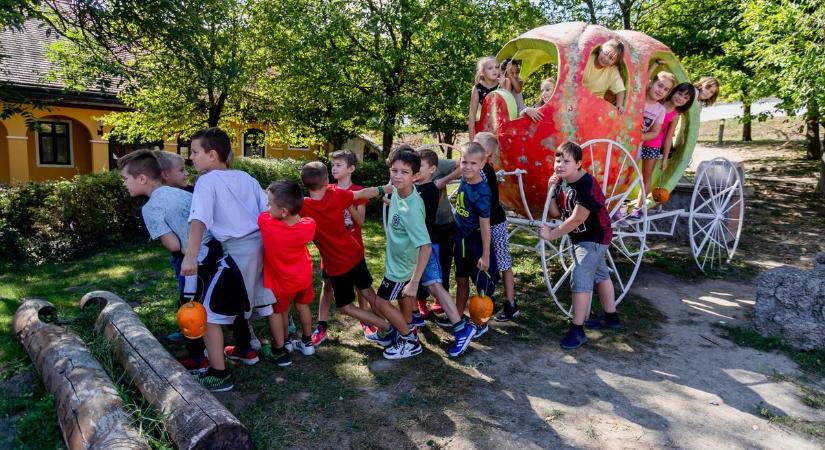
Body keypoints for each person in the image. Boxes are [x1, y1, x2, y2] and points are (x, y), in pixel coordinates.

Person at [181, 127, 274, 391]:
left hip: (235, 252)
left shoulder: (207, 181)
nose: (192, 158)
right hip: (258, 246)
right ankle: (247, 348)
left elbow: (199, 219)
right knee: (240, 303)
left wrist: (190, 257)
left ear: (212, 155)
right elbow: (265, 213)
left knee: (209, 315)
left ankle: (218, 373)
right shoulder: (246, 177)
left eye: (195, 152)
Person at [118, 149, 224, 374]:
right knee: (209, 303)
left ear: (142, 178)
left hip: (196, 261)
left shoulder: (150, 208)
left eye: (125, 179)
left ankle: (199, 358)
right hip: (217, 252)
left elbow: (174, 245)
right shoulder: (182, 193)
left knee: (190, 309)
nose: (124, 184)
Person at [299, 161, 404, 350]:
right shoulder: (336, 193)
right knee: (368, 293)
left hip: (338, 264)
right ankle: (398, 327)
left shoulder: (303, 206)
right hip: (355, 252)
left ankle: (387, 327)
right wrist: (389, 187)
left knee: (345, 307)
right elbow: (365, 193)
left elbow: (283, 206)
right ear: (326, 181)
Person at [539, 142, 619, 350]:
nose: (560, 165)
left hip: (594, 237)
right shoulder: (563, 182)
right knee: (600, 274)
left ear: (579, 164)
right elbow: (556, 213)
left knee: (581, 277)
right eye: (558, 160)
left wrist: (551, 235)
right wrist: (551, 189)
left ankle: (577, 329)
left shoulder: (586, 184)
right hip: (582, 238)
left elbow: (576, 219)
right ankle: (612, 317)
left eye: (566, 161)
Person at [413, 148, 477, 357]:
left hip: (428, 243)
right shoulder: (419, 187)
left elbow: (421, 218)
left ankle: (461, 327)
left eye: (417, 166)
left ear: (432, 169)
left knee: (434, 284)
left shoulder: (428, 189)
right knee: (427, 284)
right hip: (422, 243)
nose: (413, 170)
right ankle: (412, 318)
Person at [312, 150, 373, 346]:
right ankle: (321, 325)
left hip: (353, 250)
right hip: (331, 251)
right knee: (327, 285)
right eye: (333, 165)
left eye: (339, 165)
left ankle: (366, 320)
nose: (334, 168)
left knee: (361, 288)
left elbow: (360, 220)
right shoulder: (327, 189)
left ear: (351, 169)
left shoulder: (357, 189)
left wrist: (346, 202)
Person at [376, 149, 431, 359]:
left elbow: (425, 245)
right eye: (394, 170)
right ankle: (407, 329)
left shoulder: (412, 209)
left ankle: (410, 341)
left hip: (401, 268)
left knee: (381, 303)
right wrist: (390, 203)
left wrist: (415, 282)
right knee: (402, 298)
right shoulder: (400, 193)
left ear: (415, 176)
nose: (397, 176)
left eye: (404, 172)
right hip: (398, 262)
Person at [258, 180, 317, 367]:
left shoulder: (266, 222)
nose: (267, 207)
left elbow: (264, 216)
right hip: (302, 277)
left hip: (280, 281)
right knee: (303, 306)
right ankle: (307, 342)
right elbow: (303, 218)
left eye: (270, 204)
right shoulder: (309, 225)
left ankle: (282, 345)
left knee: (279, 311)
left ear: (283, 211)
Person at [469, 133, 519, 323]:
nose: (474, 143)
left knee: (503, 261)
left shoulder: (482, 171)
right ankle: (491, 297)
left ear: (487, 152)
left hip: (494, 223)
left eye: (478, 143)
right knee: (488, 261)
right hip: (484, 223)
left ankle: (511, 304)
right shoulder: (482, 169)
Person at [453, 142, 499, 338]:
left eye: (473, 163)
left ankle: (481, 322)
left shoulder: (482, 192)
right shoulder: (465, 178)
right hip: (460, 239)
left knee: (482, 286)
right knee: (460, 279)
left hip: (476, 243)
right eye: (464, 162)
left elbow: (486, 226)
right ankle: (456, 316)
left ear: (482, 165)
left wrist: (486, 255)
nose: (467, 167)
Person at [415, 149, 461, 320]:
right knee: (421, 264)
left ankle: (440, 299)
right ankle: (421, 301)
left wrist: (442, 181)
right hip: (425, 228)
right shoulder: (411, 172)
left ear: (432, 168)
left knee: (444, 262)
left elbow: (461, 165)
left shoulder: (438, 163)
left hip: (444, 223)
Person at [629, 71, 675, 219]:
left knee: (645, 176)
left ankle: (638, 207)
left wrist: (639, 137)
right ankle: (614, 202)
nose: (661, 90)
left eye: (665, 89)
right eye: (659, 85)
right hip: (627, 142)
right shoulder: (637, 99)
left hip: (644, 143)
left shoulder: (660, 109)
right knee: (625, 173)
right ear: (651, 83)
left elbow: (655, 132)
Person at [656, 82, 696, 164]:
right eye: (680, 94)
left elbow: (669, 138)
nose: (681, 98)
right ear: (674, 91)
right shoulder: (659, 101)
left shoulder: (675, 116)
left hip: (655, 144)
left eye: (685, 97)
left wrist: (665, 159)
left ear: (688, 101)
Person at [582, 39, 626, 113]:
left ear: (614, 63)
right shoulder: (588, 58)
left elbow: (620, 89)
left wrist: (619, 105)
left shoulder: (612, 71)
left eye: (611, 58)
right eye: (605, 53)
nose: (606, 59)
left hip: (595, 105)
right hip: (577, 95)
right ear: (600, 50)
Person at [468, 56, 500, 141]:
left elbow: (509, 106)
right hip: (485, 129)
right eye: (490, 68)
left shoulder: (503, 83)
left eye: (497, 67)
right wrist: (472, 140)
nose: (494, 70)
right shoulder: (477, 88)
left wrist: (503, 86)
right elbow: (472, 115)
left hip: (502, 127)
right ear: (482, 72)